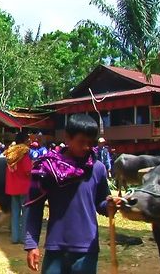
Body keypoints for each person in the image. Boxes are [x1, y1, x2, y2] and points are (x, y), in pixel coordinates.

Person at [24, 114, 112, 274]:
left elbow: (101, 204)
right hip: (55, 246)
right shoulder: (47, 169)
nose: (86, 147)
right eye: (81, 142)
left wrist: (111, 205)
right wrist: (32, 244)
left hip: (87, 249)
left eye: (90, 143)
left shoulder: (98, 168)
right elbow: (35, 208)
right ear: (67, 137)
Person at [4, 132, 32, 244]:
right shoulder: (24, 154)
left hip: (13, 188)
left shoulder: (11, 154)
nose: (30, 141)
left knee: (15, 213)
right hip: (24, 188)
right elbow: (28, 171)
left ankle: (15, 238)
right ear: (24, 141)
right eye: (28, 139)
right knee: (25, 214)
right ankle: (24, 238)